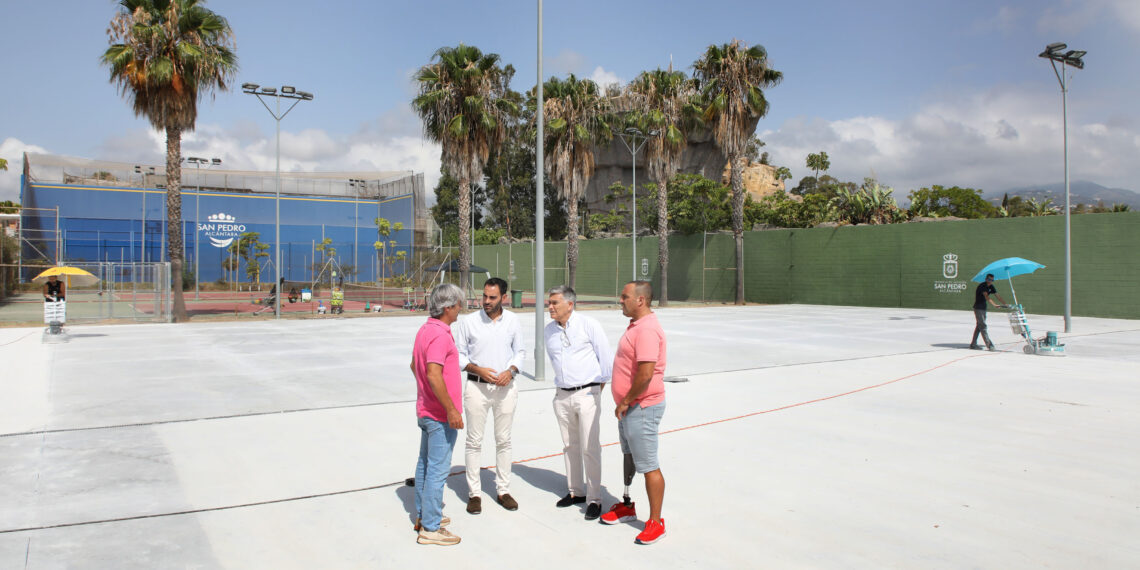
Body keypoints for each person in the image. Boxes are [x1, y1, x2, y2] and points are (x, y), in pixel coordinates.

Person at [602, 280, 668, 545]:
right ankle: (627, 505)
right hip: (629, 408)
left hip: (641, 407)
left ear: (640, 300)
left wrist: (626, 401)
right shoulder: (636, 325)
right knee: (629, 456)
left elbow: (646, 374)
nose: (620, 300)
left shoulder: (647, 330)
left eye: (625, 296)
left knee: (649, 465)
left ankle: (656, 522)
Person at [454, 277, 525, 514]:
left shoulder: (513, 320)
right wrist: (477, 370)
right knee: (474, 441)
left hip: (506, 389)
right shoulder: (469, 322)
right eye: (484, 296)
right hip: (476, 388)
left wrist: (511, 371)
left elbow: (520, 352)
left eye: (492, 297)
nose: (486, 301)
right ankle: (474, 494)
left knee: (503, 440)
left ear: (503, 297)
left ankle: (503, 490)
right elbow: (459, 355)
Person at [544, 285, 613, 520]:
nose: (550, 307)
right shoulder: (549, 331)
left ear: (570, 304)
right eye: (549, 302)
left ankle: (594, 498)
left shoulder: (589, 325)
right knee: (569, 445)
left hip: (587, 393)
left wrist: (596, 390)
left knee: (589, 448)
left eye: (554, 302)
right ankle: (576, 492)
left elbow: (606, 361)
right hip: (562, 395)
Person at [410, 283, 466, 546]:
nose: (460, 309)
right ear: (448, 308)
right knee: (438, 469)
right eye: (458, 305)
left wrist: (426, 393)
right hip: (438, 415)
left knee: (425, 464)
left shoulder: (425, 330)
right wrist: (450, 408)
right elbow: (433, 373)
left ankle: (424, 515)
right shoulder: (440, 335)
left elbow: (415, 366)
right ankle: (430, 527)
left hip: (426, 409)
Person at [970, 273, 1007, 351]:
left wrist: (1005, 304)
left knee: (979, 326)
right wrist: (995, 305)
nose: (990, 281)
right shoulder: (982, 286)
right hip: (978, 308)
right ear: (986, 279)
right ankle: (989, 345)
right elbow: (986, 296)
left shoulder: (991, 286)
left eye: (992, 280)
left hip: (983, 308)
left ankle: (973, 344)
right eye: (989, 279)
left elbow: (997, 296)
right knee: (983, 326)